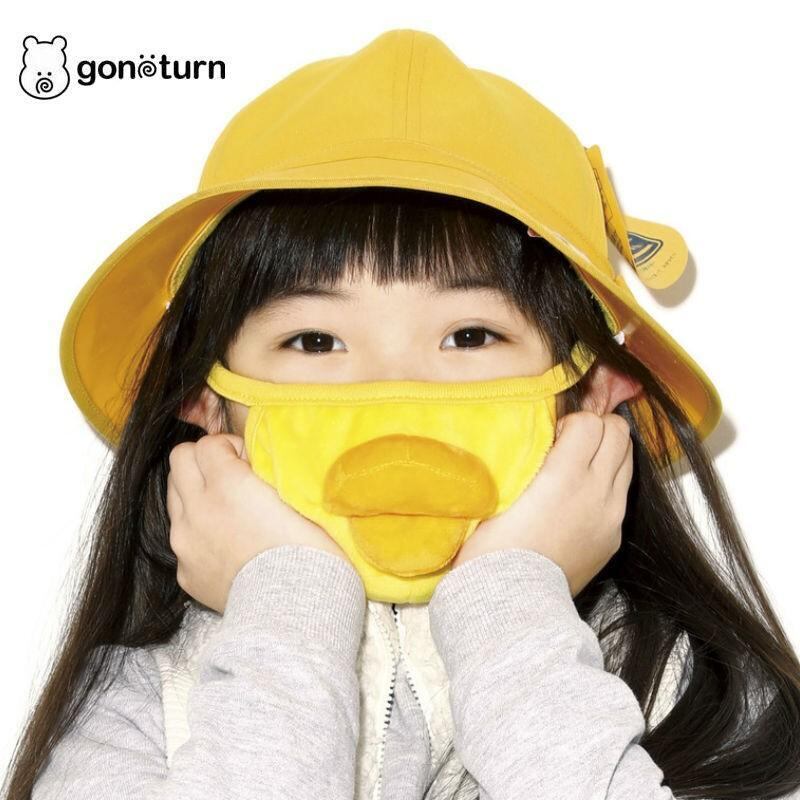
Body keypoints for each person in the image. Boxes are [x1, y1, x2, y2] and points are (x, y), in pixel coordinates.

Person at [5, 28, 800, 800]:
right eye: (314, 341)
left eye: (470, 335)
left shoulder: (702, 698)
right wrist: (286, 600)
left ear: (594, 393)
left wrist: (509, 607)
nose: (395, 393)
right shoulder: (132, 714)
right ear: (207, 404)